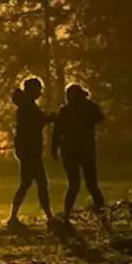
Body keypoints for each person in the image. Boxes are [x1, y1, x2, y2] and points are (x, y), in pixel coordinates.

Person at [51, 83, 106, 226]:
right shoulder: (74, 110)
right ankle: (102, 218)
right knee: (86, 185)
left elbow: (56, 132)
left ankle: (69, 218)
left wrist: (54, 148)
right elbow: (57, 132)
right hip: (80, 151)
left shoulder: (70, 110)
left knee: (80, 186)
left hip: (76, 151)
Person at [7, 76, 57, 229]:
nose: (40, 92)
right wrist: (51, 117)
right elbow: (37, 121)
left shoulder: (26, 105)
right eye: (38, 89)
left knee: (26, 184)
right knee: (41, 183)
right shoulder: (27, 106)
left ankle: (13, 218)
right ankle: (49, 219)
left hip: (26, 150)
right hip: (30, 150)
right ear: (32, 90)